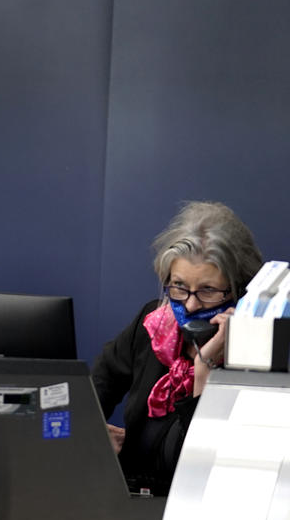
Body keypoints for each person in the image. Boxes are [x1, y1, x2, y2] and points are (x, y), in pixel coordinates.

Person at [92, 201, 263, 496]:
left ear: (239, 289)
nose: (191, 303)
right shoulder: (153, 325)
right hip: (131, 503)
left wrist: (205, 367)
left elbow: (203, 466)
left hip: (196, 510)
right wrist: (91, 434)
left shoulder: (251, 353)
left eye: (208, 290)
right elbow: (92, 392)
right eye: (179, 286)